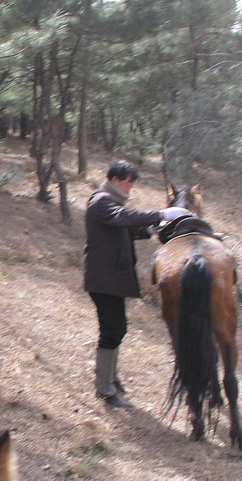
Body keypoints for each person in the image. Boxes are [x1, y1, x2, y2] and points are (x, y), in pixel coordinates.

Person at [84, 161, 191, 408]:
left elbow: (126, 230)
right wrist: (161, 214)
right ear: (113, 179)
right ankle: (104, 388)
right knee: (112, 331)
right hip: (104, 280)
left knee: (117, 329)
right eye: (128, 181)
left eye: (133, 181)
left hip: (111, 280)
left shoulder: (111, 205)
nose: (131, 186)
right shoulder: (101, 201)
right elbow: (121, 219)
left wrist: (154, 227)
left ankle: (110, 377)